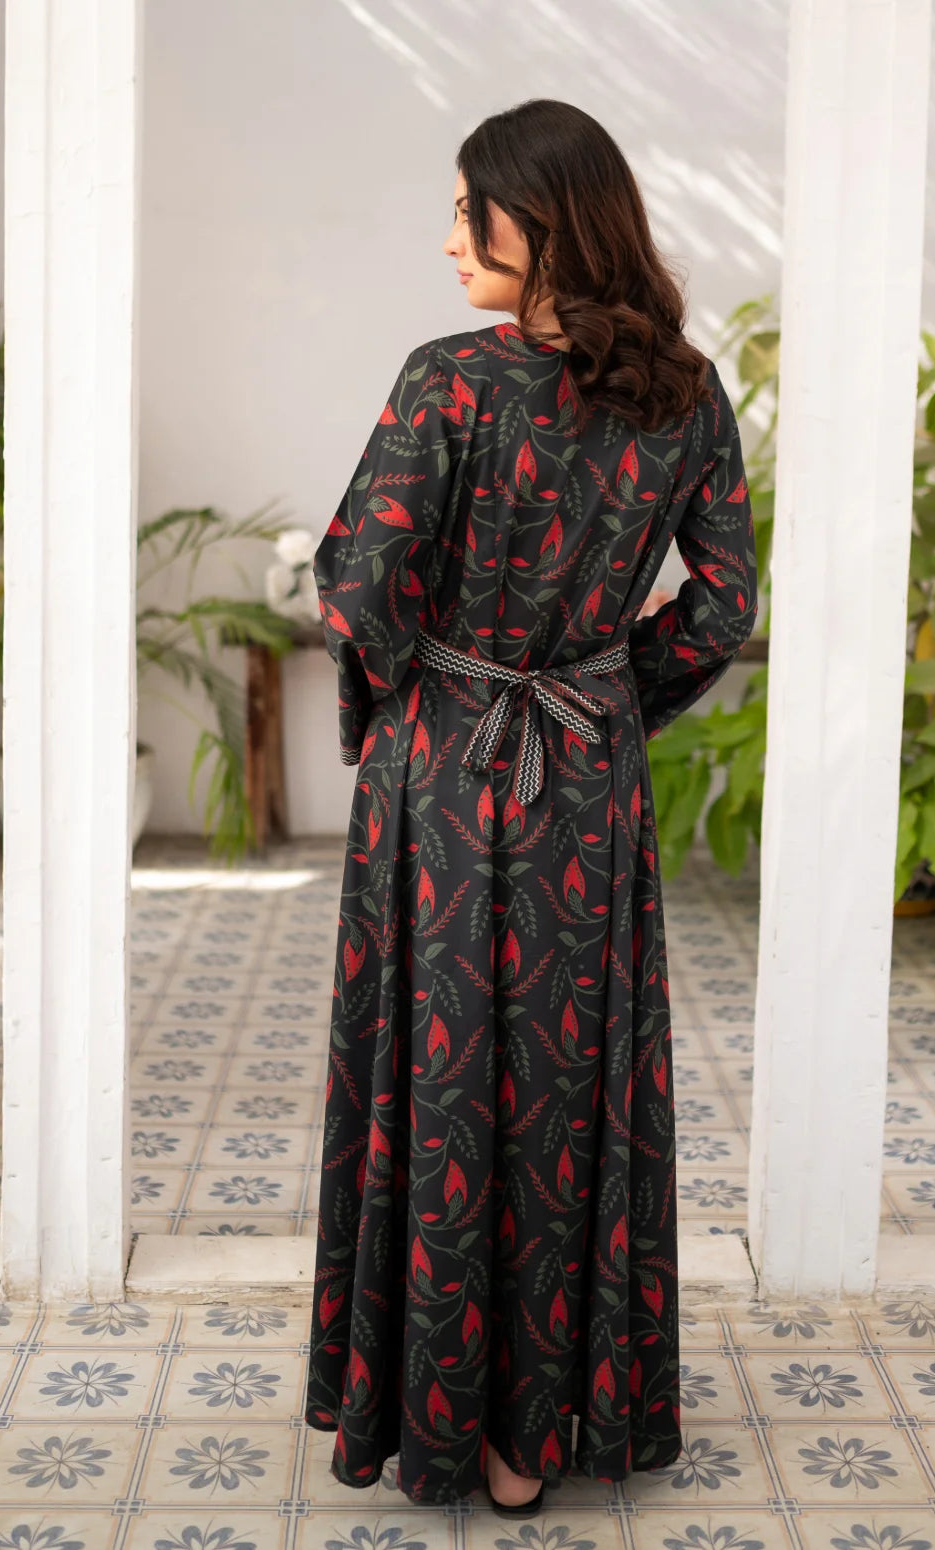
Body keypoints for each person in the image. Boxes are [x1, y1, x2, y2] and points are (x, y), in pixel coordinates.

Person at [303, 97, 759, 1515]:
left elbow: (357, 578)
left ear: (538, 221)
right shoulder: (685, 390)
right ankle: (535, 1434)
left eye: (466, 212)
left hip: (441, 777)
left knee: (441, 1083)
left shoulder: (446, 382)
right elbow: (727, 600)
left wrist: (406, 705)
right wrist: (608, 692)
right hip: (583, 779)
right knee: (564, 1092)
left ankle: (434, 1417)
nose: (446, 239)